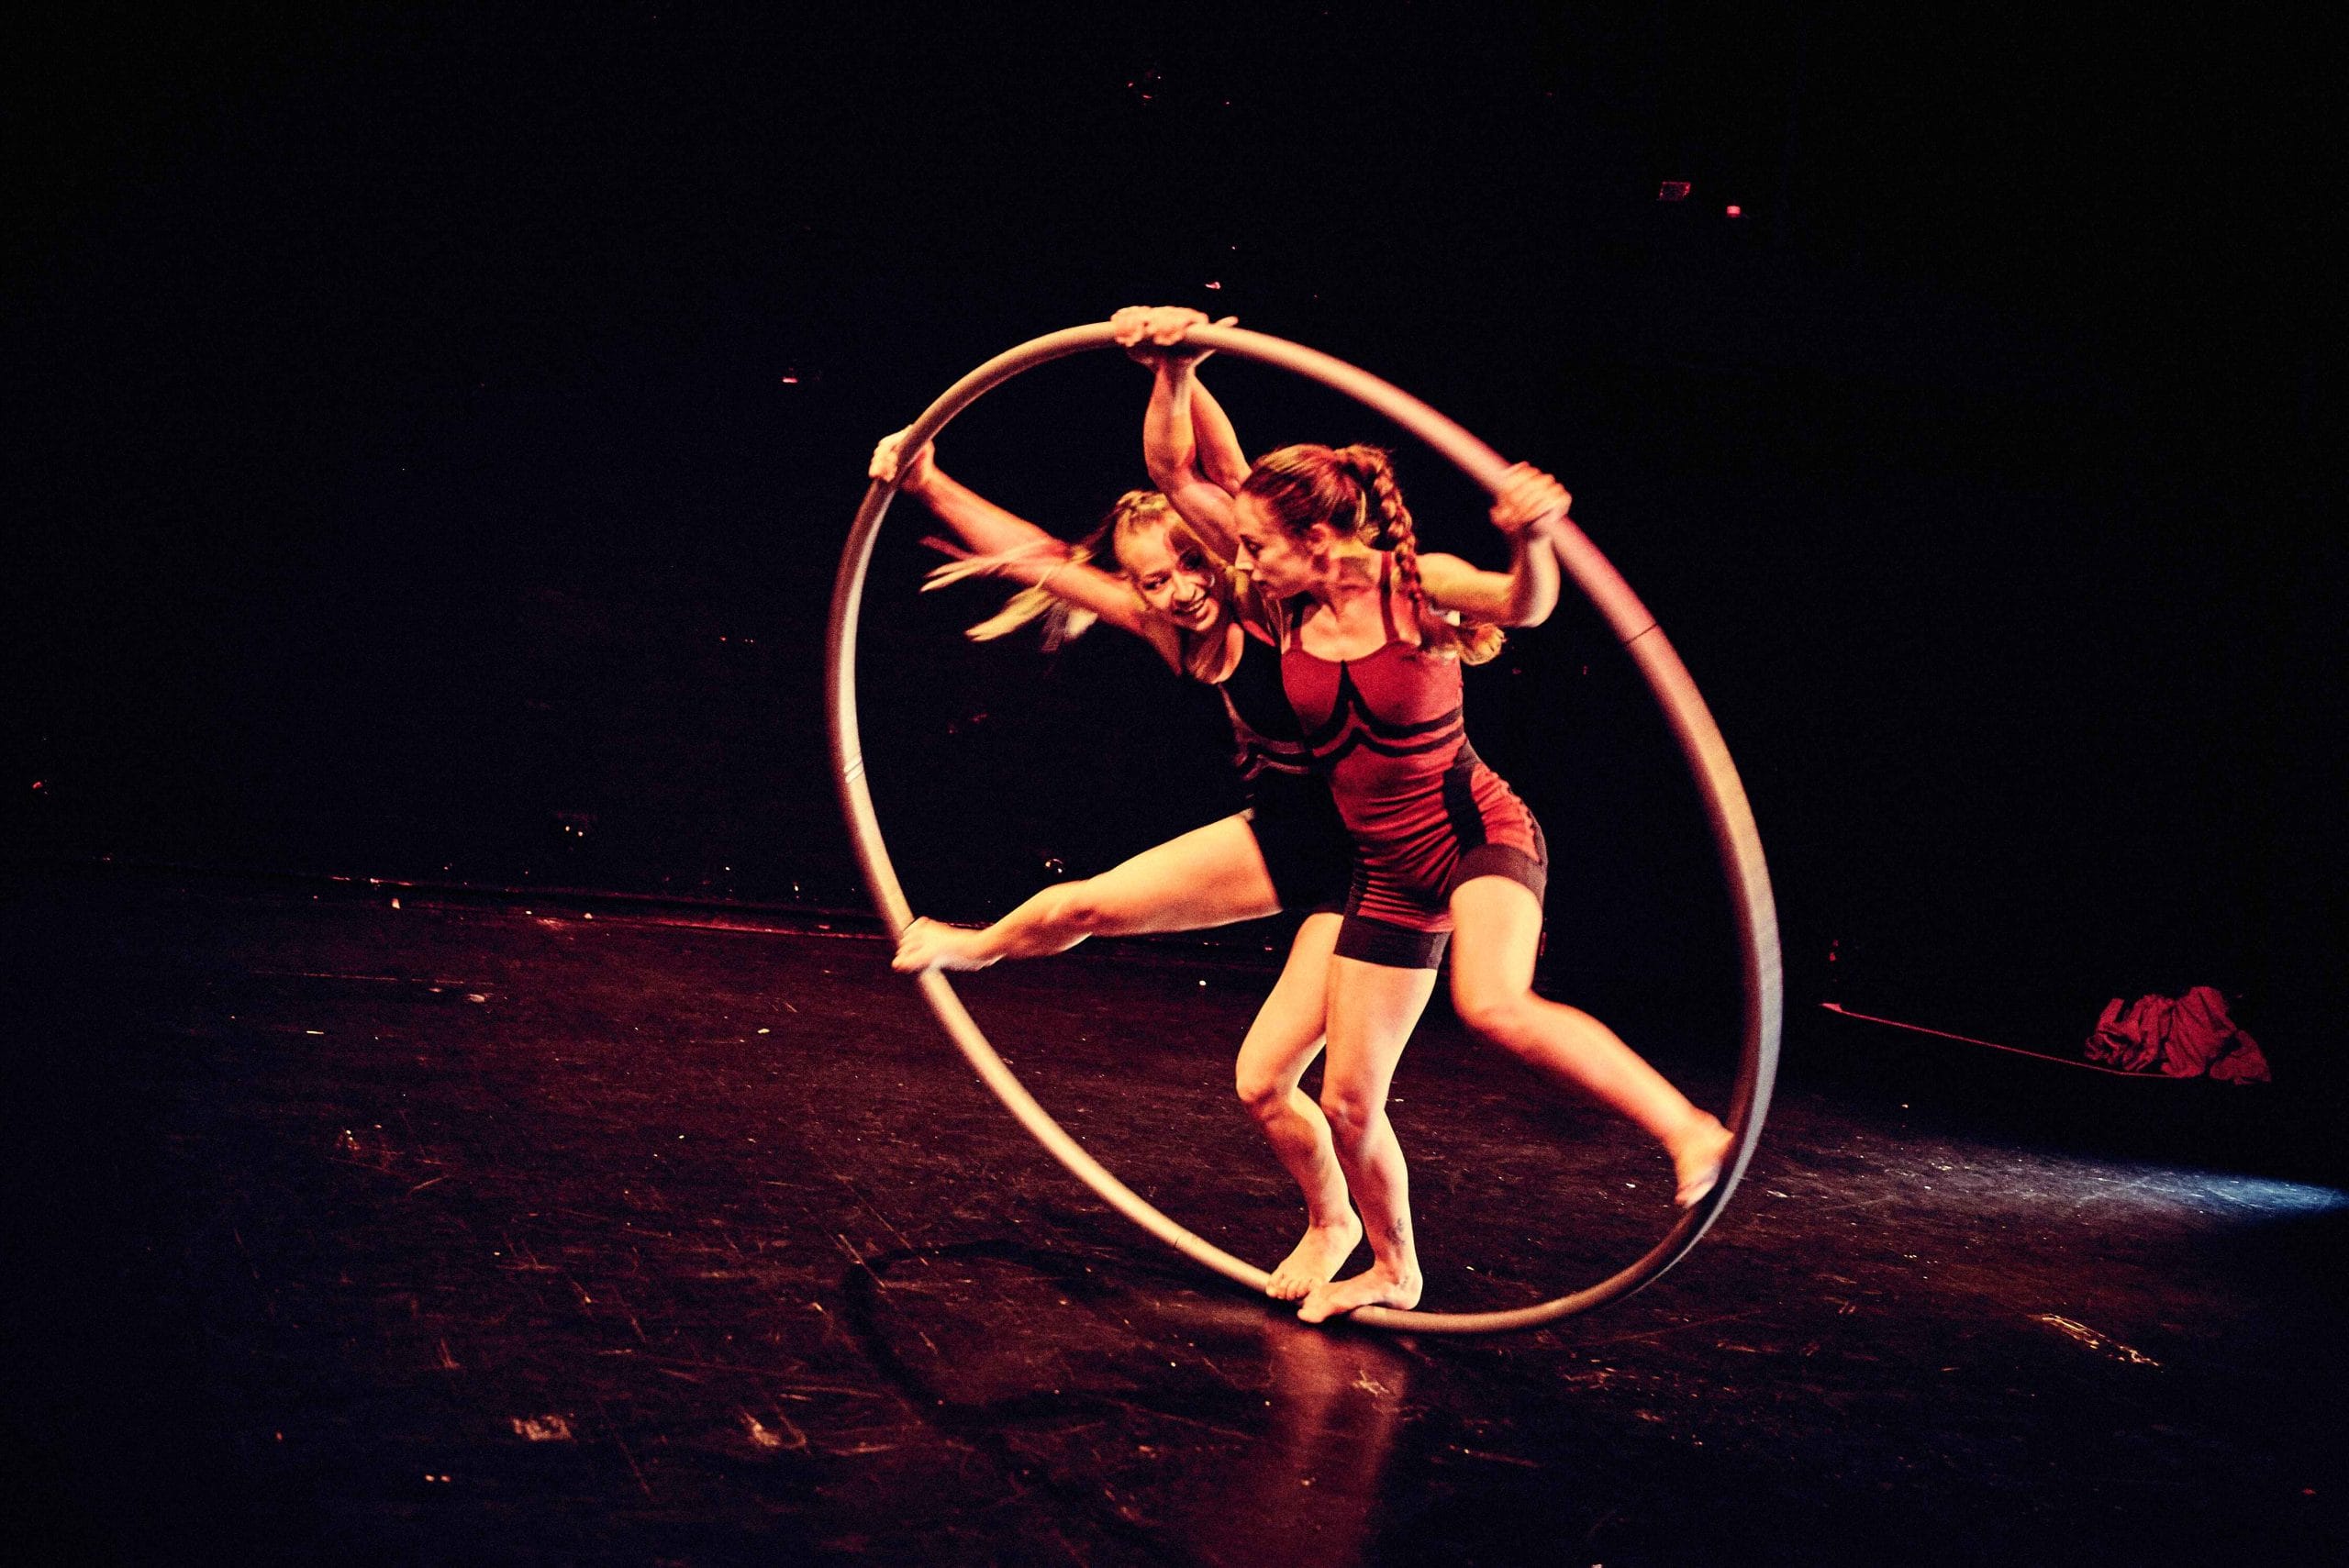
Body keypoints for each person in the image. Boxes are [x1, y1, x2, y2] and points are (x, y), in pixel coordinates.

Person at [1139, 321, 1733, 1322]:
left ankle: (1686, 1129)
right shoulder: (1279, 603)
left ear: (1317, 540)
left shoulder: (1414, 587)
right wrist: (1172, 369)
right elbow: (1172, 468)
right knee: (1345, 1101)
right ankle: (1392, 1265)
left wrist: (1530, 533)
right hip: (1384, 868)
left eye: (1254, 545)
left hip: (1476, 836)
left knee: (1494, 1002)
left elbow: (1524, 603)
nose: (1236, 561)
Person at [871, 318, 1444, 1301]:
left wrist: (1177, 370)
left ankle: (1378, 1250)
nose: (1174, 593)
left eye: (1185, 569)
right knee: (1086, 906)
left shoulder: (1273, 601)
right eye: (1149, 581)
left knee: (1285, 1081)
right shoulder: (1167, 627)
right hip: (1279, 838)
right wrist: (924, 481)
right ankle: (977, 944)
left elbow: (1195, 468)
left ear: (1218, 554)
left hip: (1370, 866)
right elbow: (1036, 559)